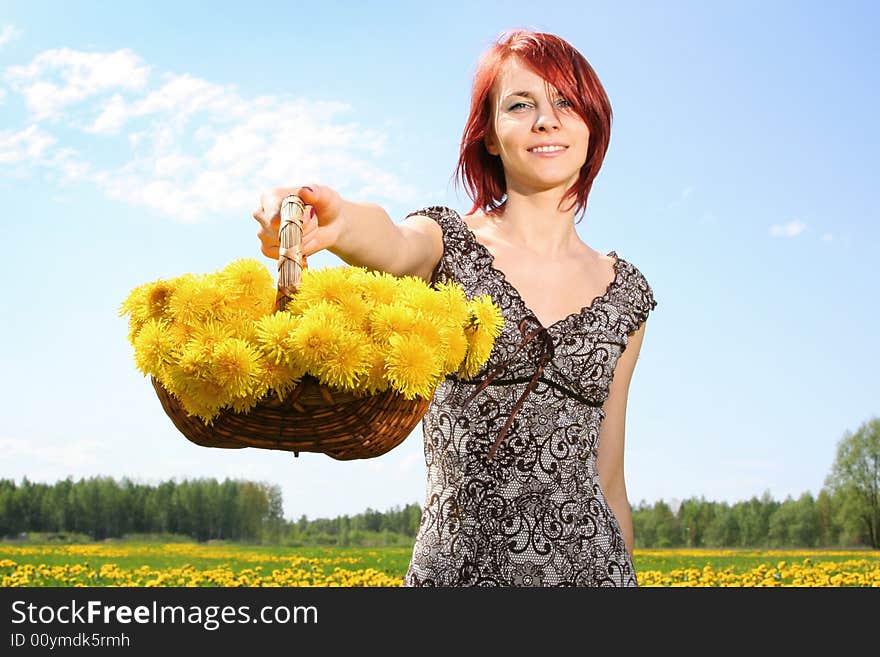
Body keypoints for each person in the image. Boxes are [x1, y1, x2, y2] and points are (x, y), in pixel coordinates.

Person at [252, 29, 657, 587]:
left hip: (594, 574)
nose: (546, 119)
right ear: (489, 135)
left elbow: (609, 478)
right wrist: (340, 221)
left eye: (565, 100)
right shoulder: (445, 242)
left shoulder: (626, 295)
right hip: (457, 572)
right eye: (521, 105)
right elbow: (392, 241)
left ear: (592, 122)